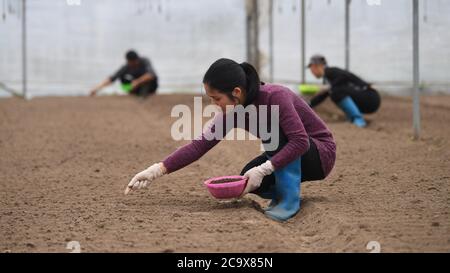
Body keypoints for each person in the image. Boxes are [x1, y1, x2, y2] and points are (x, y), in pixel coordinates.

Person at [125, 58, 336, 222]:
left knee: (274, 136)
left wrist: (264, 168)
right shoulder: (233, 111)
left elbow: (300, 141)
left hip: (319, 154)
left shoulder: (274, 96)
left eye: (216, 98)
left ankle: (288, 201)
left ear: (236, 92)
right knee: (248, 179)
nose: (214, 104)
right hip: (289, 150)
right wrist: (157, 169)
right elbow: (199, 146)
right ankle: (281, 192)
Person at [307, 54, 381, 128]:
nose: (311, 72)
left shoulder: (331, 71)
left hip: (370, 97)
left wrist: (329, 86)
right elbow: (322, 96)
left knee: (335, 92)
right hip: (369, 99)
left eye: (311, 68)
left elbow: (345, 75)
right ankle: (353, 118)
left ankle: (357, 119)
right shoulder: (328, 78)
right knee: (333, 92)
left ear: (316, 66)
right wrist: (308, 105)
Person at [89, 50, 158, 98]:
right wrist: (96, 88)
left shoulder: (145, 61)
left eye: (134, 62)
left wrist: (137, 82)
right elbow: (112, 78)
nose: (132, 64)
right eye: (129, 62)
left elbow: (151, 75)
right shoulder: (127, 67)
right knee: (122, 77)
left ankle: (146, 93)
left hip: (151, 87)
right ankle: (131, 92)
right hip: (136, 88)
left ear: (137, 59)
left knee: (150, 79)